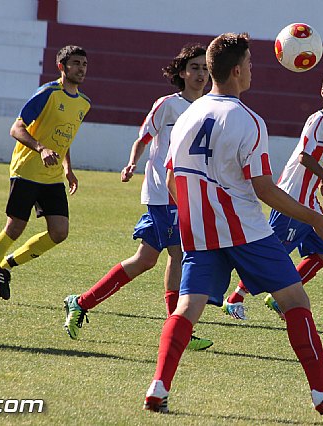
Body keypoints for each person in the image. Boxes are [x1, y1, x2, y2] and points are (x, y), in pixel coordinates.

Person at [143, 33, 323, 416]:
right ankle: (322, 391)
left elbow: (171, 179)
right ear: (236, 70)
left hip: (199, 231)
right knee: (295, 300)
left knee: (187, 308)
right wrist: (315, 217)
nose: (253, 70)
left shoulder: (187, 117)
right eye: (249, 63)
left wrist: (196, 216)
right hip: (246, 230)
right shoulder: (248, 120)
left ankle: (158, 386)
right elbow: (265, 189)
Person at [63, 44, 213, 351]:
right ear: (182, 73)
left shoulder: (209, 107)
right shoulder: (168, 105)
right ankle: (179, 327)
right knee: (179, 254)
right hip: (163, 191)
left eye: (205, 68)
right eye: (195, 68)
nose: (200, 74)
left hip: (186, 193)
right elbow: (144, 137)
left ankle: (80, 303)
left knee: (146, 259)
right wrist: (132, 162)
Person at [0, 45, 90, 303]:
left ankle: (6, 266)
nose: (81, 68)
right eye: (75, 63)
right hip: (26, 170)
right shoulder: (48, 93)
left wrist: (68, 169)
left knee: (59, 232)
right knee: (15, 227)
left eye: (84, 64)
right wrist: (41, 148)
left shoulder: (84, 103)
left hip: (53, 176)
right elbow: (16, 128)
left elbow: (64, 136)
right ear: (62, 67)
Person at [223, 69, 323, 320]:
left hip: (310, 200)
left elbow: (319, 160)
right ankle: (234, 299)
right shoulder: (316, 120)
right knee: (272, 255)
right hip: (292, 198)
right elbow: (305, 156)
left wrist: (322, 187)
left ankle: (278, 298)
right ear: (322, 92)